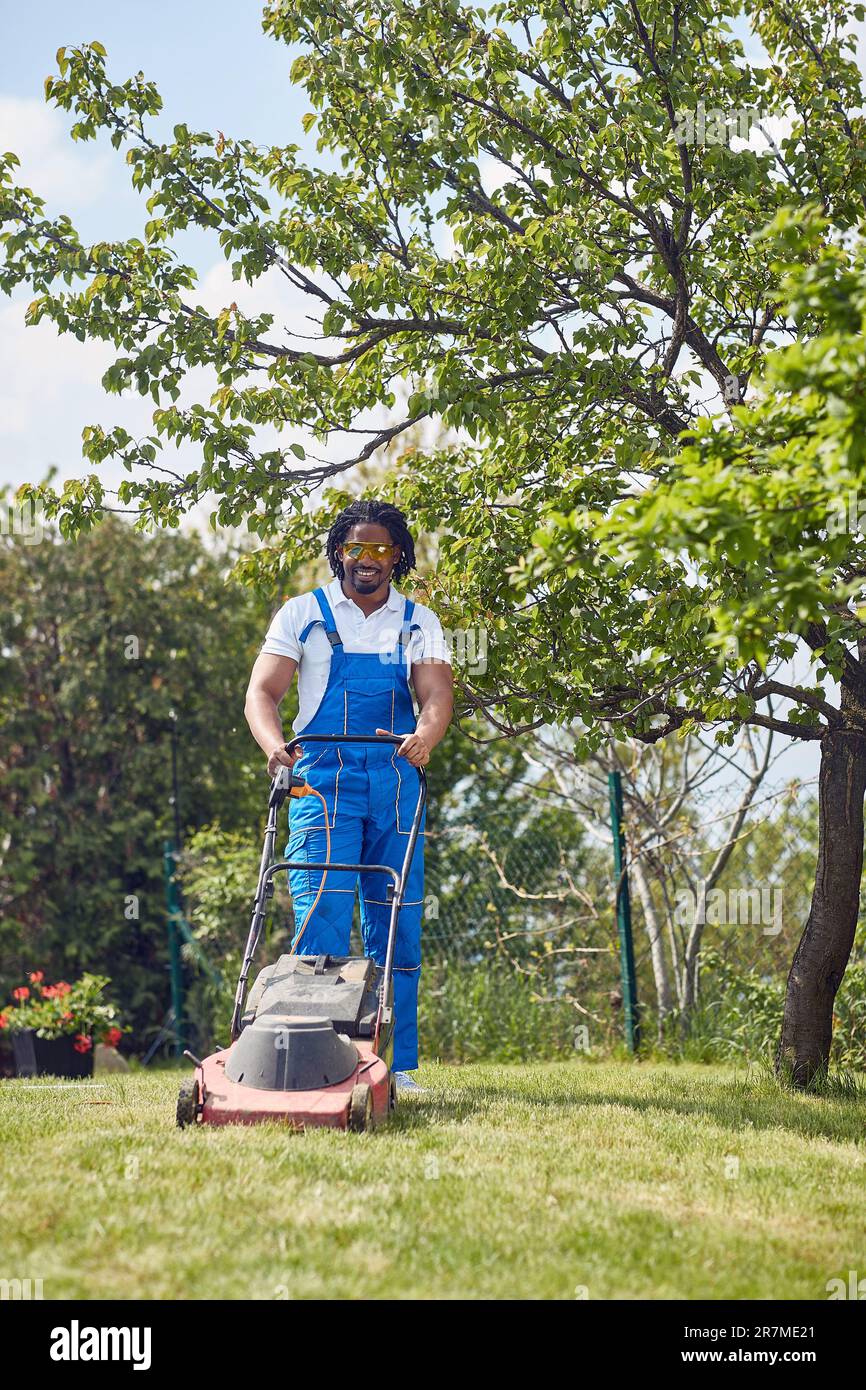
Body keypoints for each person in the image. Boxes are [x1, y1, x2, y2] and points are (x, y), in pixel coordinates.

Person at [244, 500, 453, 1091]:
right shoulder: (301, 614)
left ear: (397, 556)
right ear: (339, 552)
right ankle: (320, 1062)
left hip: (394, 781)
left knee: (397, 923)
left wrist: (426, 736)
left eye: (381, 549)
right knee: (322, 915)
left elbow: (436, 694)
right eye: (356, 548)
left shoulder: (419, 622)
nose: (368, 560)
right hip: (322, 778)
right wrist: (274, 747)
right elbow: (262, 693)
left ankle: (399, 1066)